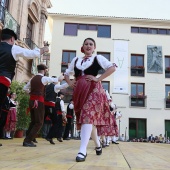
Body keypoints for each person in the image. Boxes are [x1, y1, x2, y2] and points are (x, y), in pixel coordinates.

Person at [64, 37, 116, 162]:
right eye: (86, 44)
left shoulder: (98, 58)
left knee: (87, 116)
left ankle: (82, 150)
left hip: (94, 90)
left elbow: (113, 67)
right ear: (83, 46)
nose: (88, 46)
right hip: (79, 92)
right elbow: (66, 74)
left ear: (94, 47)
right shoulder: (76, 59)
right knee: (87, 120)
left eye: (91, 44)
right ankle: (98, 145)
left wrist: (98, 79)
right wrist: (70, 83)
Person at [0, 28, 49, 146]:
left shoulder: (33, 79)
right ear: (12, 39)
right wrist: (44, 49)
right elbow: (31, 53)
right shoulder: (13, 48)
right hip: (2, 81)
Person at [23, 64, 63, 147]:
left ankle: (28, 138)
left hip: (32, 100)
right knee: (39, 122)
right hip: (39, 102)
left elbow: (25, 88)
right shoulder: (43, 78)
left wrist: (31, 93)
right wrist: (64, 74)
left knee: (34, 121)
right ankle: (28, 140)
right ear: (44, 70)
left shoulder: (32, 79)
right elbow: (58, 79)